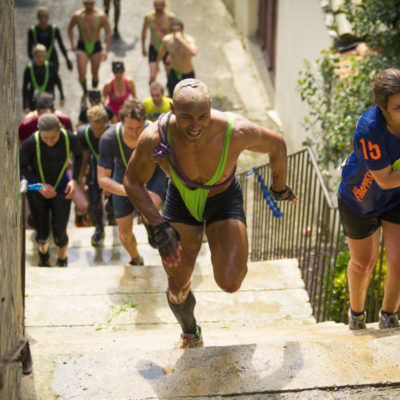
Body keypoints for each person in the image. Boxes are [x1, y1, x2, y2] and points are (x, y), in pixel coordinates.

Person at [123, 79, 296, 348]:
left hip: (223, 199)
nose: (195, 126)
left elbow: (278, 145)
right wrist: (157, 224)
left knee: (230, 282)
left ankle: (231, 252)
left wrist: (279, 188)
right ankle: (190, 331)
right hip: (181, 200)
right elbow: (132, 181)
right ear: (171, 108)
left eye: (203, 117)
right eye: (187, 118)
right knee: (178, 288)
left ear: (211, 108)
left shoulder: (235, 130)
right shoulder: (154, 136)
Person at [338, 67, 400, 330]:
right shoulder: (369, 128)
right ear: (383, 109)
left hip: (396, 198)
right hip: (360, 199)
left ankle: (388, 316)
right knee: (364, 264)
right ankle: (357, 315)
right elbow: (384, 179)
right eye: (398, 108)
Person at [97, 99, 168, 266]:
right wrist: (129, 190)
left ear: (145, 122)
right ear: (120, 122)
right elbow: (102, 179)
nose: (135, 134)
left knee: (150, 206)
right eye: (130, 128)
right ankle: (136, 259)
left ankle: (150, 224)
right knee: (124, 232)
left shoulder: (156, 132)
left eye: (139, 128)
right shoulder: (109, 138)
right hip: (124, 177)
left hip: (153, 173)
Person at [20, 113, 82, 267]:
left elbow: (79, 156)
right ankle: (43, 256)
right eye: (45, 138)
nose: (49, 142)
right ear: (39, 132)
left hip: (61, 187)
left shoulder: (69, 138)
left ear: (60, 130)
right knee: (42, 232)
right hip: (36, 187)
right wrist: (39, 186)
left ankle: (62, 260)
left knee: (60, 231)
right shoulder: (31, 143)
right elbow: (20, 167)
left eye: (53, 138)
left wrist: (74, 180)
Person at [77, 105, 110, 246]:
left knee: (114, 204)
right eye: (94, 128)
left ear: (106, 123)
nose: (97, 132)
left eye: (100, 128)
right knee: (94, 201)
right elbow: (84, 155)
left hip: (113, 165)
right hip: (96, 165)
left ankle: (114, 222)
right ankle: (99, 228)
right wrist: (81, 176)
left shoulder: (113, 132)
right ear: (89, 123)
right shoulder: (84, 134)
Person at [67, 0, 111, 103]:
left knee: (94, 73)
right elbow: (70, 28)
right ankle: (85, 91)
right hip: (82, 46)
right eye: (86, 4)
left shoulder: (100, 16)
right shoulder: (77, 15)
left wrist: (106, 50)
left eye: (90, 4)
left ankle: (93, 91)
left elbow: (108, 31)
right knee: (81, 74)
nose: (88, 6)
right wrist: (72, 43)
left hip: (96, 46)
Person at [153, 19, 197, 98]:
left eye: (178, 30)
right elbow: (161, 52)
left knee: (189, 98)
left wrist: (181, 40)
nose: (175, 32)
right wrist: (157, 65)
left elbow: (194, 52)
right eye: (173, 30)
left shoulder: (189, 40)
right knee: (172, 95)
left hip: (187, 74)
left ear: (182, 30)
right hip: (174, 73)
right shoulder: (167, 40)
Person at [27, 6, 73, 73]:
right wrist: (34, 59)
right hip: (39, 58)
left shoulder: (54, 29)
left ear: (48, 17)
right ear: (38, 18)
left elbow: (61, 45)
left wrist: (67, 60)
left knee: (52, 79)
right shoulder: (33, 31)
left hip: (52, 58)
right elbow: (29, 48)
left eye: (45, 17)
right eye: (41, 17)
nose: (43, 19)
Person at [22, 44, 65, 113]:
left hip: (48, 100)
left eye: (43, 56)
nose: (41, 59)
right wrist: (25, 105)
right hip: (34, 99)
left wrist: (62, 96)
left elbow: (57, 81)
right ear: (34, 57)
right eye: (38, 57)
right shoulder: (29, 69)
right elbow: (25, 88)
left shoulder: (50, 66)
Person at [141, 0, 176, 84]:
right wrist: (143, 48)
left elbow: (174, 35)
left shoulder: (170, 17)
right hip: (154, 47)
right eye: (156, 5)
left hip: (166, 48)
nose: (158, 7)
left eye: (160, 5)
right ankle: (153, 92)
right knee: (153, 75)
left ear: (164, 5)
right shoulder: (149, 17)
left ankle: (170, 91)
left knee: (169, 73)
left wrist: (172, 53)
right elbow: (144, 32)